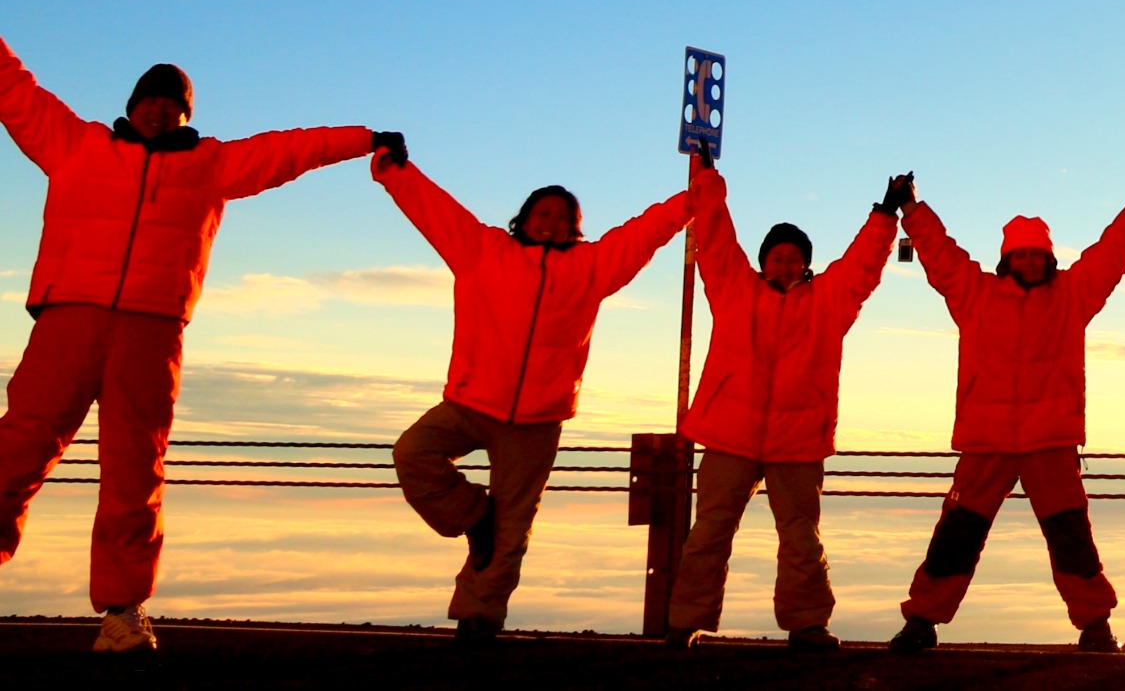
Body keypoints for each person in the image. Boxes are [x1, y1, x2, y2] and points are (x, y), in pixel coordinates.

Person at [0, 37, 378, 653]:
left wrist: (363, 138)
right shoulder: (75, 143)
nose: (157, 110)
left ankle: (122, 612)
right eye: (149, 100)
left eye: (170, 104)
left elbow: (289, 149)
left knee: (134, 470)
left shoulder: (213, 165)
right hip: (70, 317)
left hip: (151, 332)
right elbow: (13, 87)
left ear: (186, 114)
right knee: (17, 448)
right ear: (131, 105)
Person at [375, 135, 692, 644]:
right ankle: (474, 514)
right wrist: (395, 172)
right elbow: (435, 209)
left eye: (563, 217)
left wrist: (691, 197)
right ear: (522, 219)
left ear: (575, 228)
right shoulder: (482, 249)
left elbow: (642, 234)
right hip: (470, 401)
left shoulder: (590, 268)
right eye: (542, 213)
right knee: (412, 453)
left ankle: (480, 616)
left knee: (514, 525)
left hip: (538, 418)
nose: (551, 221)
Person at [887, 171, 1125, 655]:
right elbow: (940, 252)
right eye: (1020, 252)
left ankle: (1095, 624)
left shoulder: (1073, 294)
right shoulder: (974, 294)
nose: (1029, 259)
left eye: (1036, 252)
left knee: (1071, 537)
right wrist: (911, 208)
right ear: (1006, 259)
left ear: (1049, 258)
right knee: (956, 535)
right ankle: (923, 620)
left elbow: (1112, 253)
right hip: (988, 440)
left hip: (1049, 441)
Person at [665, 156, 897, 648]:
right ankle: (685, 621)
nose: (785, 263)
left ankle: (807, 624)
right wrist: (706, 177)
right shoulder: (733, 288)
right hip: (731, 434)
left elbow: (861, 267)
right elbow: (716, 237)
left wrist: (884, 215)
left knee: (800, 537)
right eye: (777, 256)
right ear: (762, 260)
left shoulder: (829, 301)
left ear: (806, 263)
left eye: (794, 257)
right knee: (709, 532)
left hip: (797, 439)